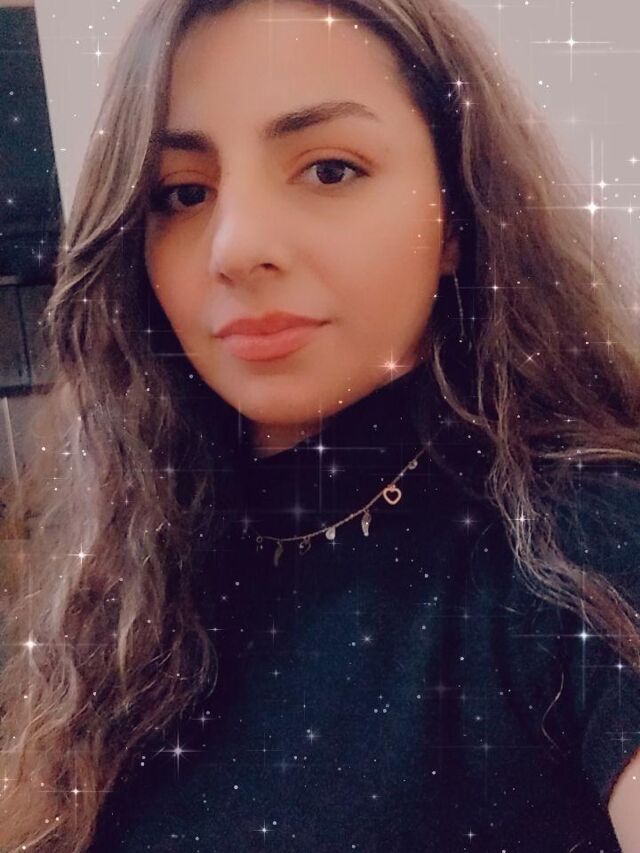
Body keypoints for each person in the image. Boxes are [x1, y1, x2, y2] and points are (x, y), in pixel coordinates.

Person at [0, 0, 639, 850]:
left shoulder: (583, 542)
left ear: (456, 212)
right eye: (183, 193)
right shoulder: (139, 573)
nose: (236, 247)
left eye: (330, 170)